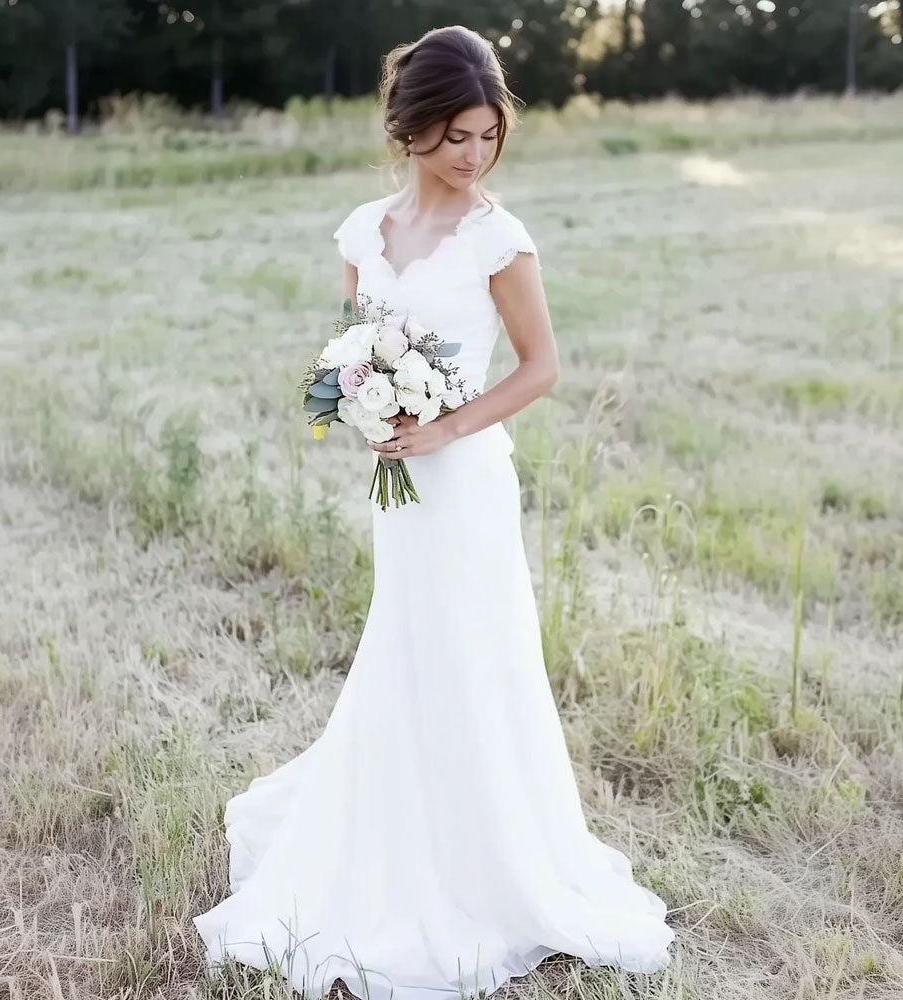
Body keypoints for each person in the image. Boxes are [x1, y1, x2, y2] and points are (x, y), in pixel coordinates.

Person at [193, 24, 674, 1000]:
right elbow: (350, 343)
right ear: (409, 128)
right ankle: (392, 838)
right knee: (403, 648)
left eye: (487, 135)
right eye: (454, 134)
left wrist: (448, 426)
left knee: (470, 656)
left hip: (464, 487)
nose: (472, 154)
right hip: (395, 486)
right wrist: (364, 402)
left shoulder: (499, 237)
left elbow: (541, 368)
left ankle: (485, 865)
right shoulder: (363, 230)